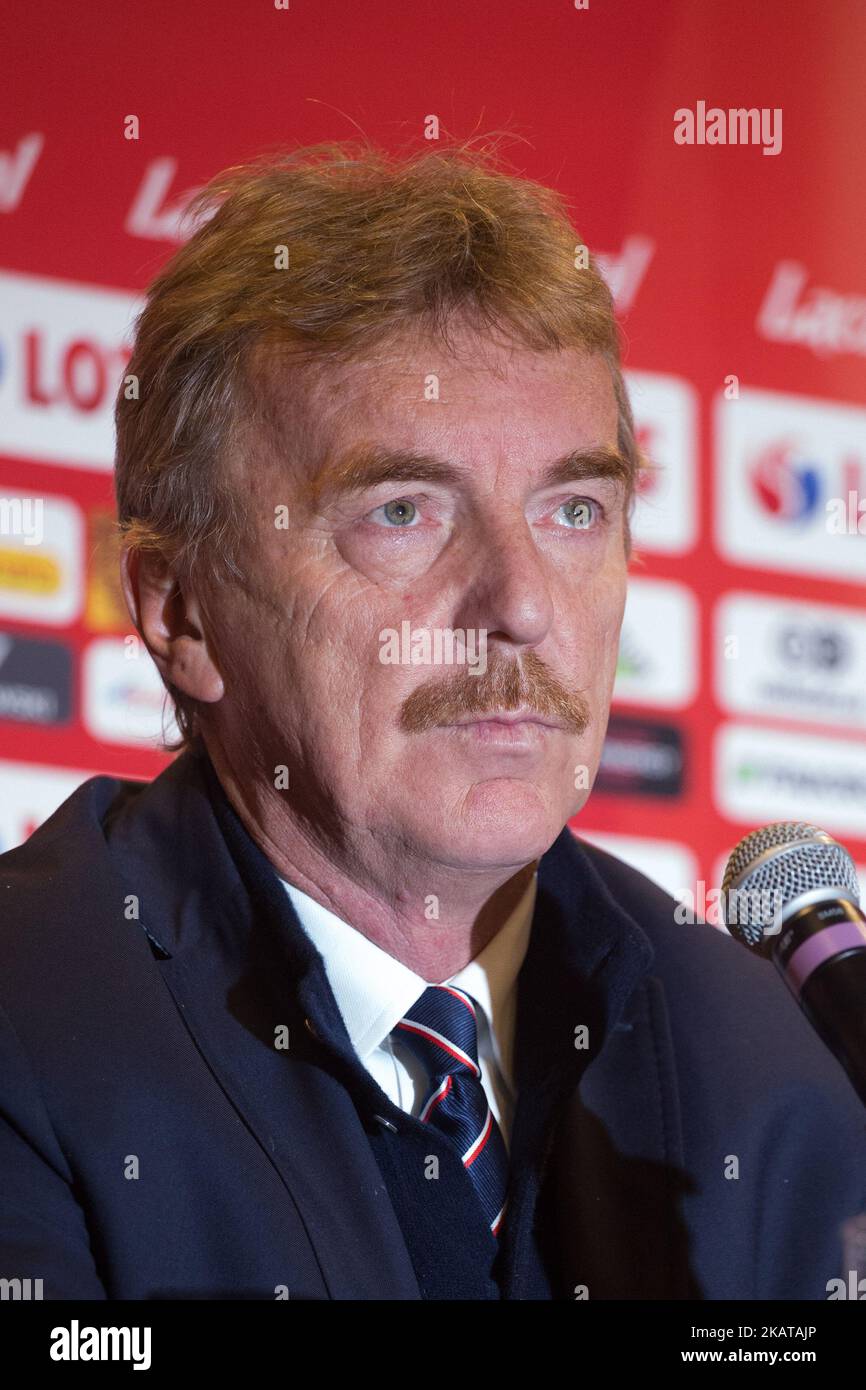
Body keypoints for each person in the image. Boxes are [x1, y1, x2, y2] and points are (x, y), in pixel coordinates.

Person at [0, 140, 863, 1301]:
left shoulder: (770, 1058)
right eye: (402, 510)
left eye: (570, 508)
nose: (518, 604)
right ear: (182, 611)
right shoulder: (31, 1022)